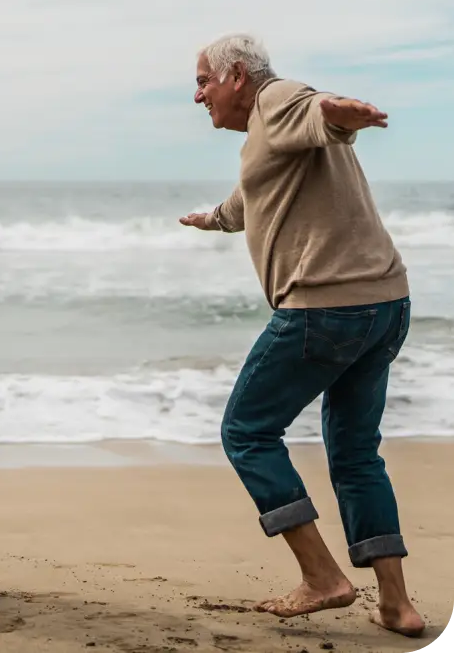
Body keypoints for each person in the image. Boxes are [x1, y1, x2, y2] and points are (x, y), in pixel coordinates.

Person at [179, 34, 424, 638]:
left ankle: (323, 577)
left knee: (246, 431)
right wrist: (211, 218)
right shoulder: (267, 139)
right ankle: (396, 604)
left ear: (237, 76)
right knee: (355, 451)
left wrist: (343, 113)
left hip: (327, 310)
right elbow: (251, 198)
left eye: (204, 80)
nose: (197, 94)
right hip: (386, 303)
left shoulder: (277, 100)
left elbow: (317, 112)